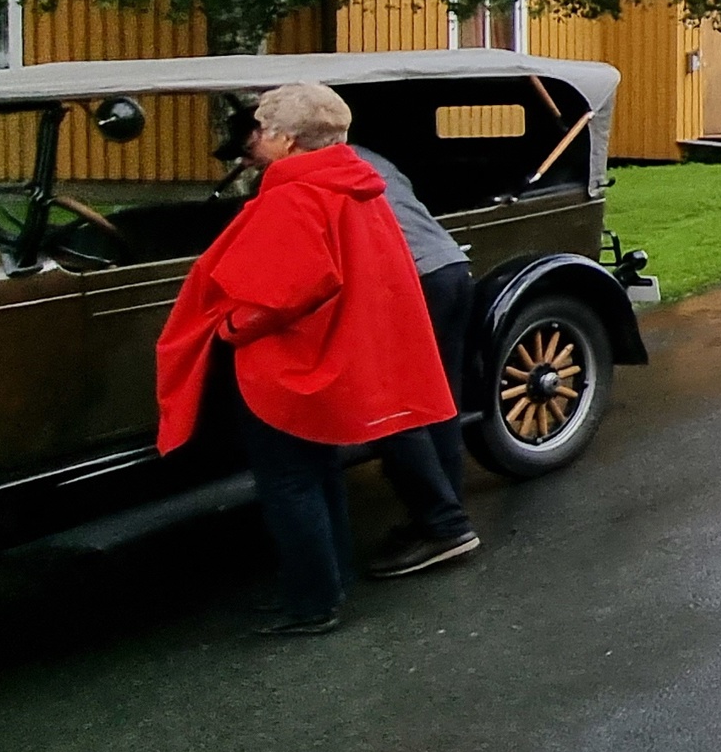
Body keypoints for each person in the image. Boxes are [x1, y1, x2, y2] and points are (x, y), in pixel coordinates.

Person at [156, 83, 454, 636]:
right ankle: (326, 585)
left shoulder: (293, 193)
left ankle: (313, 602)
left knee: (290, 481)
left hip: (289, 362)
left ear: (288, 140)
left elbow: (293, 287)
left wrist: (232, 326)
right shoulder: (357, 183)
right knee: (318, 472)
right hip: (332, 348)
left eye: (264, 130)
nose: (259, 138)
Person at [349, 142, 483, 576]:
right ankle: (446, 512)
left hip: (413, 277)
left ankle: (443, 525)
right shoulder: (367, 156)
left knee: (395, 405)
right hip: (449, 265)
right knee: (440, 400)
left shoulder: (320, 172)